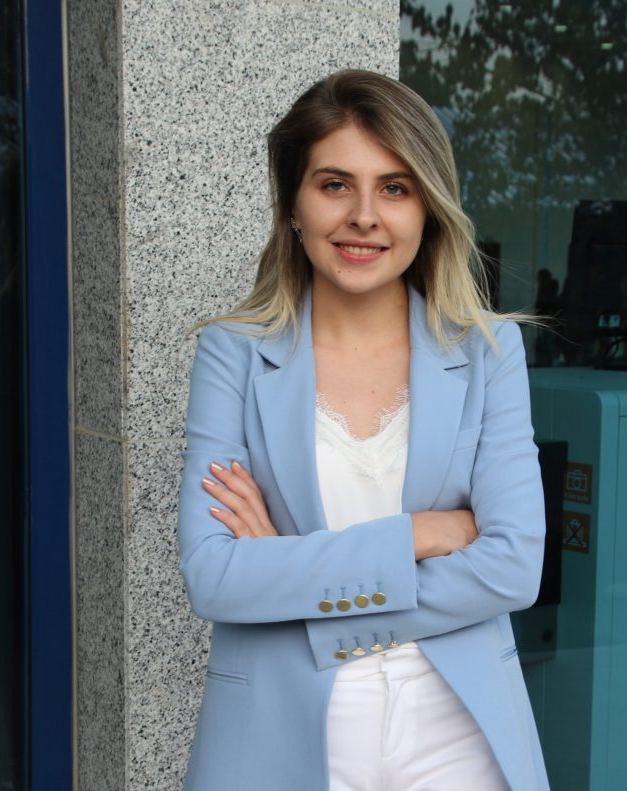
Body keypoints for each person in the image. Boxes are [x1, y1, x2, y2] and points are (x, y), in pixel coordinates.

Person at [178, 70, 549, 791]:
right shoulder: (233, 353)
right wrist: (416, 534)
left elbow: (512, 566)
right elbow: (215, 577)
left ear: (428, 209)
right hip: (277, 729)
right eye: (335, 185)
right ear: (293, 202)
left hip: (458, 730)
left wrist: (289, 573)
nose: (364, 216)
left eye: (395, 188)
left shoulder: (487, 349)